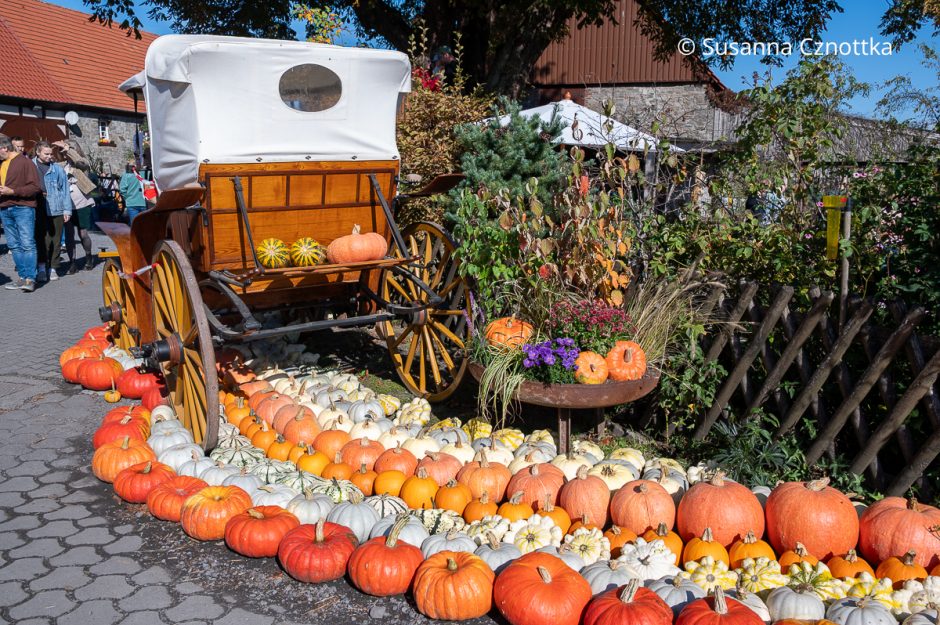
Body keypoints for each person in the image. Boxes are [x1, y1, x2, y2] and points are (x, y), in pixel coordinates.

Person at [0, 134, 42, 292]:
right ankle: (23, 277)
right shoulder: (2, 164)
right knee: (13, 245)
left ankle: (30, 279)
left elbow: (35, 187)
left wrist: (13, 191)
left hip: (23, 208)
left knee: (27, 244)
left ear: (4, 148)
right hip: (4, 208)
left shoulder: (25, 162)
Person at [32, 141, 72, 282]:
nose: (50, 156)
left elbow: (65, 190)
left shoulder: (57, 170)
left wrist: (67, 210)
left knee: (55, 240)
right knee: (41, 239)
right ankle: (42, 268)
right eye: (46, 153)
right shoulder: (31, 166)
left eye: (51, 154)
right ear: (38, 152)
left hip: (56, 207)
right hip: (37, 207)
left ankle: (53, 268)